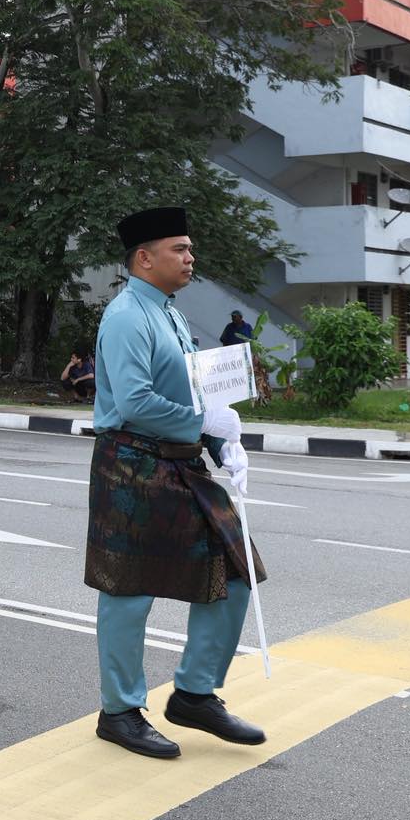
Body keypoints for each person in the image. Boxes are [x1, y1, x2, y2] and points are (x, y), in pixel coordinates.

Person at [89, 206, 267, 760]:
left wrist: (223, 442)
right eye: (180, 249)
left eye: (190, 249)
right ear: (145, 258)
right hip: (132, 463)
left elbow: (196, 391)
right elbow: (135, 400)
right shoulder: (125, 316)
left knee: (235, 570)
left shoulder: (170, 314)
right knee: (129, 588)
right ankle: (119, 711)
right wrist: (203, 424)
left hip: (183, 462)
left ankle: (193, 693)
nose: (191, 259)